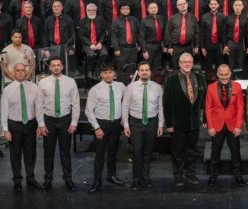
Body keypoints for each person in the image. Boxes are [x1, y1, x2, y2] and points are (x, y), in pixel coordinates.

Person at [163, 53, 207, 186]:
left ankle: (190, 174)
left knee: (191, 151)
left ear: (192, 64)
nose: (187, 64)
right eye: (184, 62)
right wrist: (169, 124)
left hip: (194, 123)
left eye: (189, 62)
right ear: (180, 64)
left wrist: (205, 118)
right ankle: (178, 175)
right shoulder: (171, 80)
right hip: (177, 123)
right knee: (177, 152)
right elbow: (167, 103)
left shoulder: (200, 78)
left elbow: (204, 101)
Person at [37, 57, 80, 192]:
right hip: (48, 120)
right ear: (49, 67)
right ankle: (48, 180)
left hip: (65, 120)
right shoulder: (42, 82)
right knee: (48, 153)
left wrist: (74, 122)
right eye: (53, 65)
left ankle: (68, 179)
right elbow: (38, 105)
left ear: (62, 67)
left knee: (65, 153)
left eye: (58, 65)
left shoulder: (70, 82)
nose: (56, 67)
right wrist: (41, 124)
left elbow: (76, 103)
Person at [0, 63, 43, 192]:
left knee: (30, 153)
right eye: (17, 70)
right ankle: (17, 180)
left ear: (26, 72)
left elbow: (39, 108)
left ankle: (30, 178)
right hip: (14, 125)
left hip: (30, 124)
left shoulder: (34, 88)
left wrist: (40, 125)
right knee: (15, 154)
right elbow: (4, 110)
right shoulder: (7, 90)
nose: (20, 72)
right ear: (14, 72)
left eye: (22, 70)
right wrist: (5, 129)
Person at [122, 61, 164, 190]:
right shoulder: (131, 87)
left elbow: (160, 107)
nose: (144, 72)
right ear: (138, 72)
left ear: (150, 72)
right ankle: (136, 178)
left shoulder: (157, 87)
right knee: (137, 151)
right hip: (136, 123)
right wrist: (126, 125)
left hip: (152, 122)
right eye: (142, 70)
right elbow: (125, 106)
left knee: (147, 152)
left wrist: (161, 124)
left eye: (147, 70)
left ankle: (145, 177)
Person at [85, 64, 126, 193]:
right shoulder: (95, 89)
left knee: (113, 152)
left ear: (114, 74)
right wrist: (97, 128)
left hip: (116, 124)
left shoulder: (121, 86)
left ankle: (111, 176)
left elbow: (127, 102)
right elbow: (88, 111)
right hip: (101, 124)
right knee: (100, 154)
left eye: (110, 72)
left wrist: (124, 121)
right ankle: (97, 181)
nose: (108, 75)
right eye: (105, 72)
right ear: (101, 74)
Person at [205, 64, 245, 186]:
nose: (224, 77)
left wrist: (239, 126)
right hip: (217, 126)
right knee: (215, 152)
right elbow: (208, 108)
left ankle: (238, 175)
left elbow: (240, 107)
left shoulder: (237, 87)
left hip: (233, 125)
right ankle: (213, 176)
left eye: (226, 74)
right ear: (217, 74)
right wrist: (210, 126)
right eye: (221, 75)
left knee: (236, 152)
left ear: (230, 74)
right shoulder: (211, 88)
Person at [165, 0, 199, 68]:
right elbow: (168, 33)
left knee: (188, 67)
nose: (182, 6)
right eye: (180, 4)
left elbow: (196, 32)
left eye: (184, 4)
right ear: (177, 7)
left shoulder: (193, 17)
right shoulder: (172, 18)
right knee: (176, 67)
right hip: (176, 47)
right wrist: (169, 47)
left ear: (187, 4)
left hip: (189, 47)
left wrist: (196, 46)